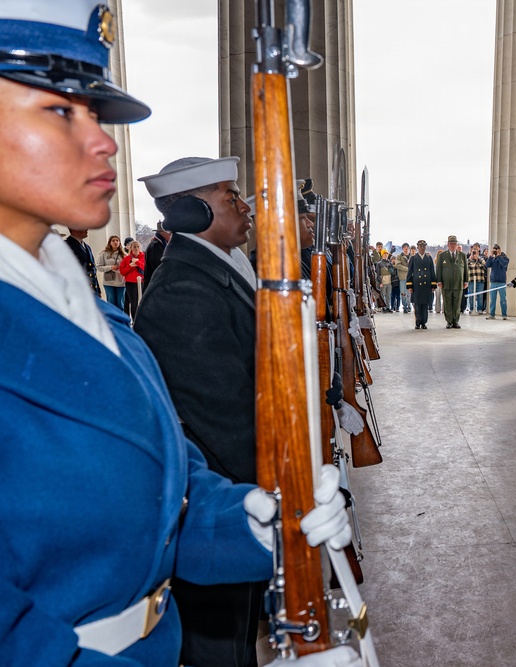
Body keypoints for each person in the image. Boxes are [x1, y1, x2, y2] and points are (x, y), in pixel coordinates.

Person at [0, 5, 356, 665]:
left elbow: (158, 481)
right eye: (61, 111)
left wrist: (249, 519)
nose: (104, 141)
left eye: (96, 112)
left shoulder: (84, 309)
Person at [134, 155, 268, 665]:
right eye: (229, 196)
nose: (244, 205)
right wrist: (277, 488)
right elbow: (226, 418)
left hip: (237, 494)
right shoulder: (184, 290)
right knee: (223, 646)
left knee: (239, 633)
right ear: (190, 213)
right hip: (221, 499)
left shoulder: (222, 268)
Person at [436, 234, 469, 329]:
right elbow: (439, 269)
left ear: (456, 244)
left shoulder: (462, 256)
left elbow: (466, 270)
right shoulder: (442, 256)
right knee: (447, 303)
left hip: (458, 283)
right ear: (448, 245)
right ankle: (449, 321)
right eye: (451, 244)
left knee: (457, 303)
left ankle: (456, 321)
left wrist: (466, 281)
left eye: (454, 243)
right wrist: (439, 281)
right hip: (446, 284)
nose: (453, 245)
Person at [407, 239, 436, 329]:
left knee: (425, 304)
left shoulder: (429, 258)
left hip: (426, 284)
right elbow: (410, 272)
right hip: (417, 284)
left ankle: (424, 322)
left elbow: (432, 271)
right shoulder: (413, 258)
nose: (422, 248)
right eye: (421, 246)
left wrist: (433, 284)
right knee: (417, 304)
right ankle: (418, 322)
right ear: (418, 247)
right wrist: (409, 285)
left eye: (424, 246)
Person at [65, 227, 101, 297]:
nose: (87, 229)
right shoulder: (66, 245)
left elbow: (92, 269)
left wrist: (97, 290)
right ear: (74, 229)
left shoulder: (87, 247)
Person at [97, 234, 126, 309]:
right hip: (108, 282)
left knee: (121, 304)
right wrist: (110, 267)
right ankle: (111, 320)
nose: (115, 242)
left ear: (119, 242)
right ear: (110, 242)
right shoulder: (104, 254)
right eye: (113, 240)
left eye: (117, 240)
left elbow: (127, 268)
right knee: (111, 304)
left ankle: (120, 320)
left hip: (121, 282)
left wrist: (119, 270)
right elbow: (98, 267)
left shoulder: (124, 255)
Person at [119, 239, 145, 322]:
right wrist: (130, 266)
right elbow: (122, 272)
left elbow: (145, 268)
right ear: (131, 248)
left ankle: (142, 319)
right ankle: (134, 320)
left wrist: (138, 263)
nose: (136, 248)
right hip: (130, 283)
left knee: (142, 301)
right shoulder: (126, 258)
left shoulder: (143, 256)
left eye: (138, 247)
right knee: (133, 302)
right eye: (134, 247)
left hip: (142, 282)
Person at [485, 242, 509, 319]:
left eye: (496, 250)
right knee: (492, 300)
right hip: (493, 281)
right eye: (494, 250)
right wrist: (491, 256)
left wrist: (498, 256)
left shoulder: (505, 258)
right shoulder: (493, 258)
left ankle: (504, 314)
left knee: (503, 300)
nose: (495, 251)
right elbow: (487, 265)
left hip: (501, 282)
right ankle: (492, 314)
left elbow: (504, 264)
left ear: (500, 250)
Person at [144, 222, 171, 286]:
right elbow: (159, 267)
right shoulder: (155, 246)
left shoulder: (159, 244)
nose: (172, 236)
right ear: (163, 233)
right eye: (170, 234)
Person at [467, 244, 487, 314]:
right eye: (473, 251)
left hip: (480, 280)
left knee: (480, 295)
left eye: (476, 251)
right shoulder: (469, 259)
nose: (475, 253)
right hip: (471, 280)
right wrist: (471, 257)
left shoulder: (481, 259)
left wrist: (477, 258)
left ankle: (480, 309)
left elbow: (485, 264)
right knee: (471, 295)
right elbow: (465, 264)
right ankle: (472, 308)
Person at [395, 243, 411, 313]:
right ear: (402, 248)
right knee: (403, 293)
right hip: (403, 277)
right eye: (404, 247)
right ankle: (405, 306)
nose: (406, 248)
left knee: (410, 293)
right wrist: (407, 269)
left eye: (407, 247)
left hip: (411, 277)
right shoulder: (399, 256)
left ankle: (409, 306)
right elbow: (397, 265)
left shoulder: (412, 256)